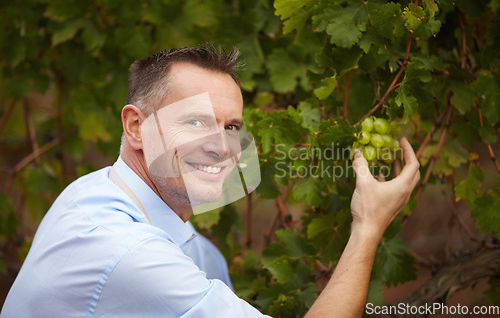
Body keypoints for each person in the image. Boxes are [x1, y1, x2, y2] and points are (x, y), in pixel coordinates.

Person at [1, 44, 420, 318]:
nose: (222, 148)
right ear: (135, 127)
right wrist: (367, 226)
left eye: (232, 127)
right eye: (196, 121)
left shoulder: (97, 191)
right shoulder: (129, 254)